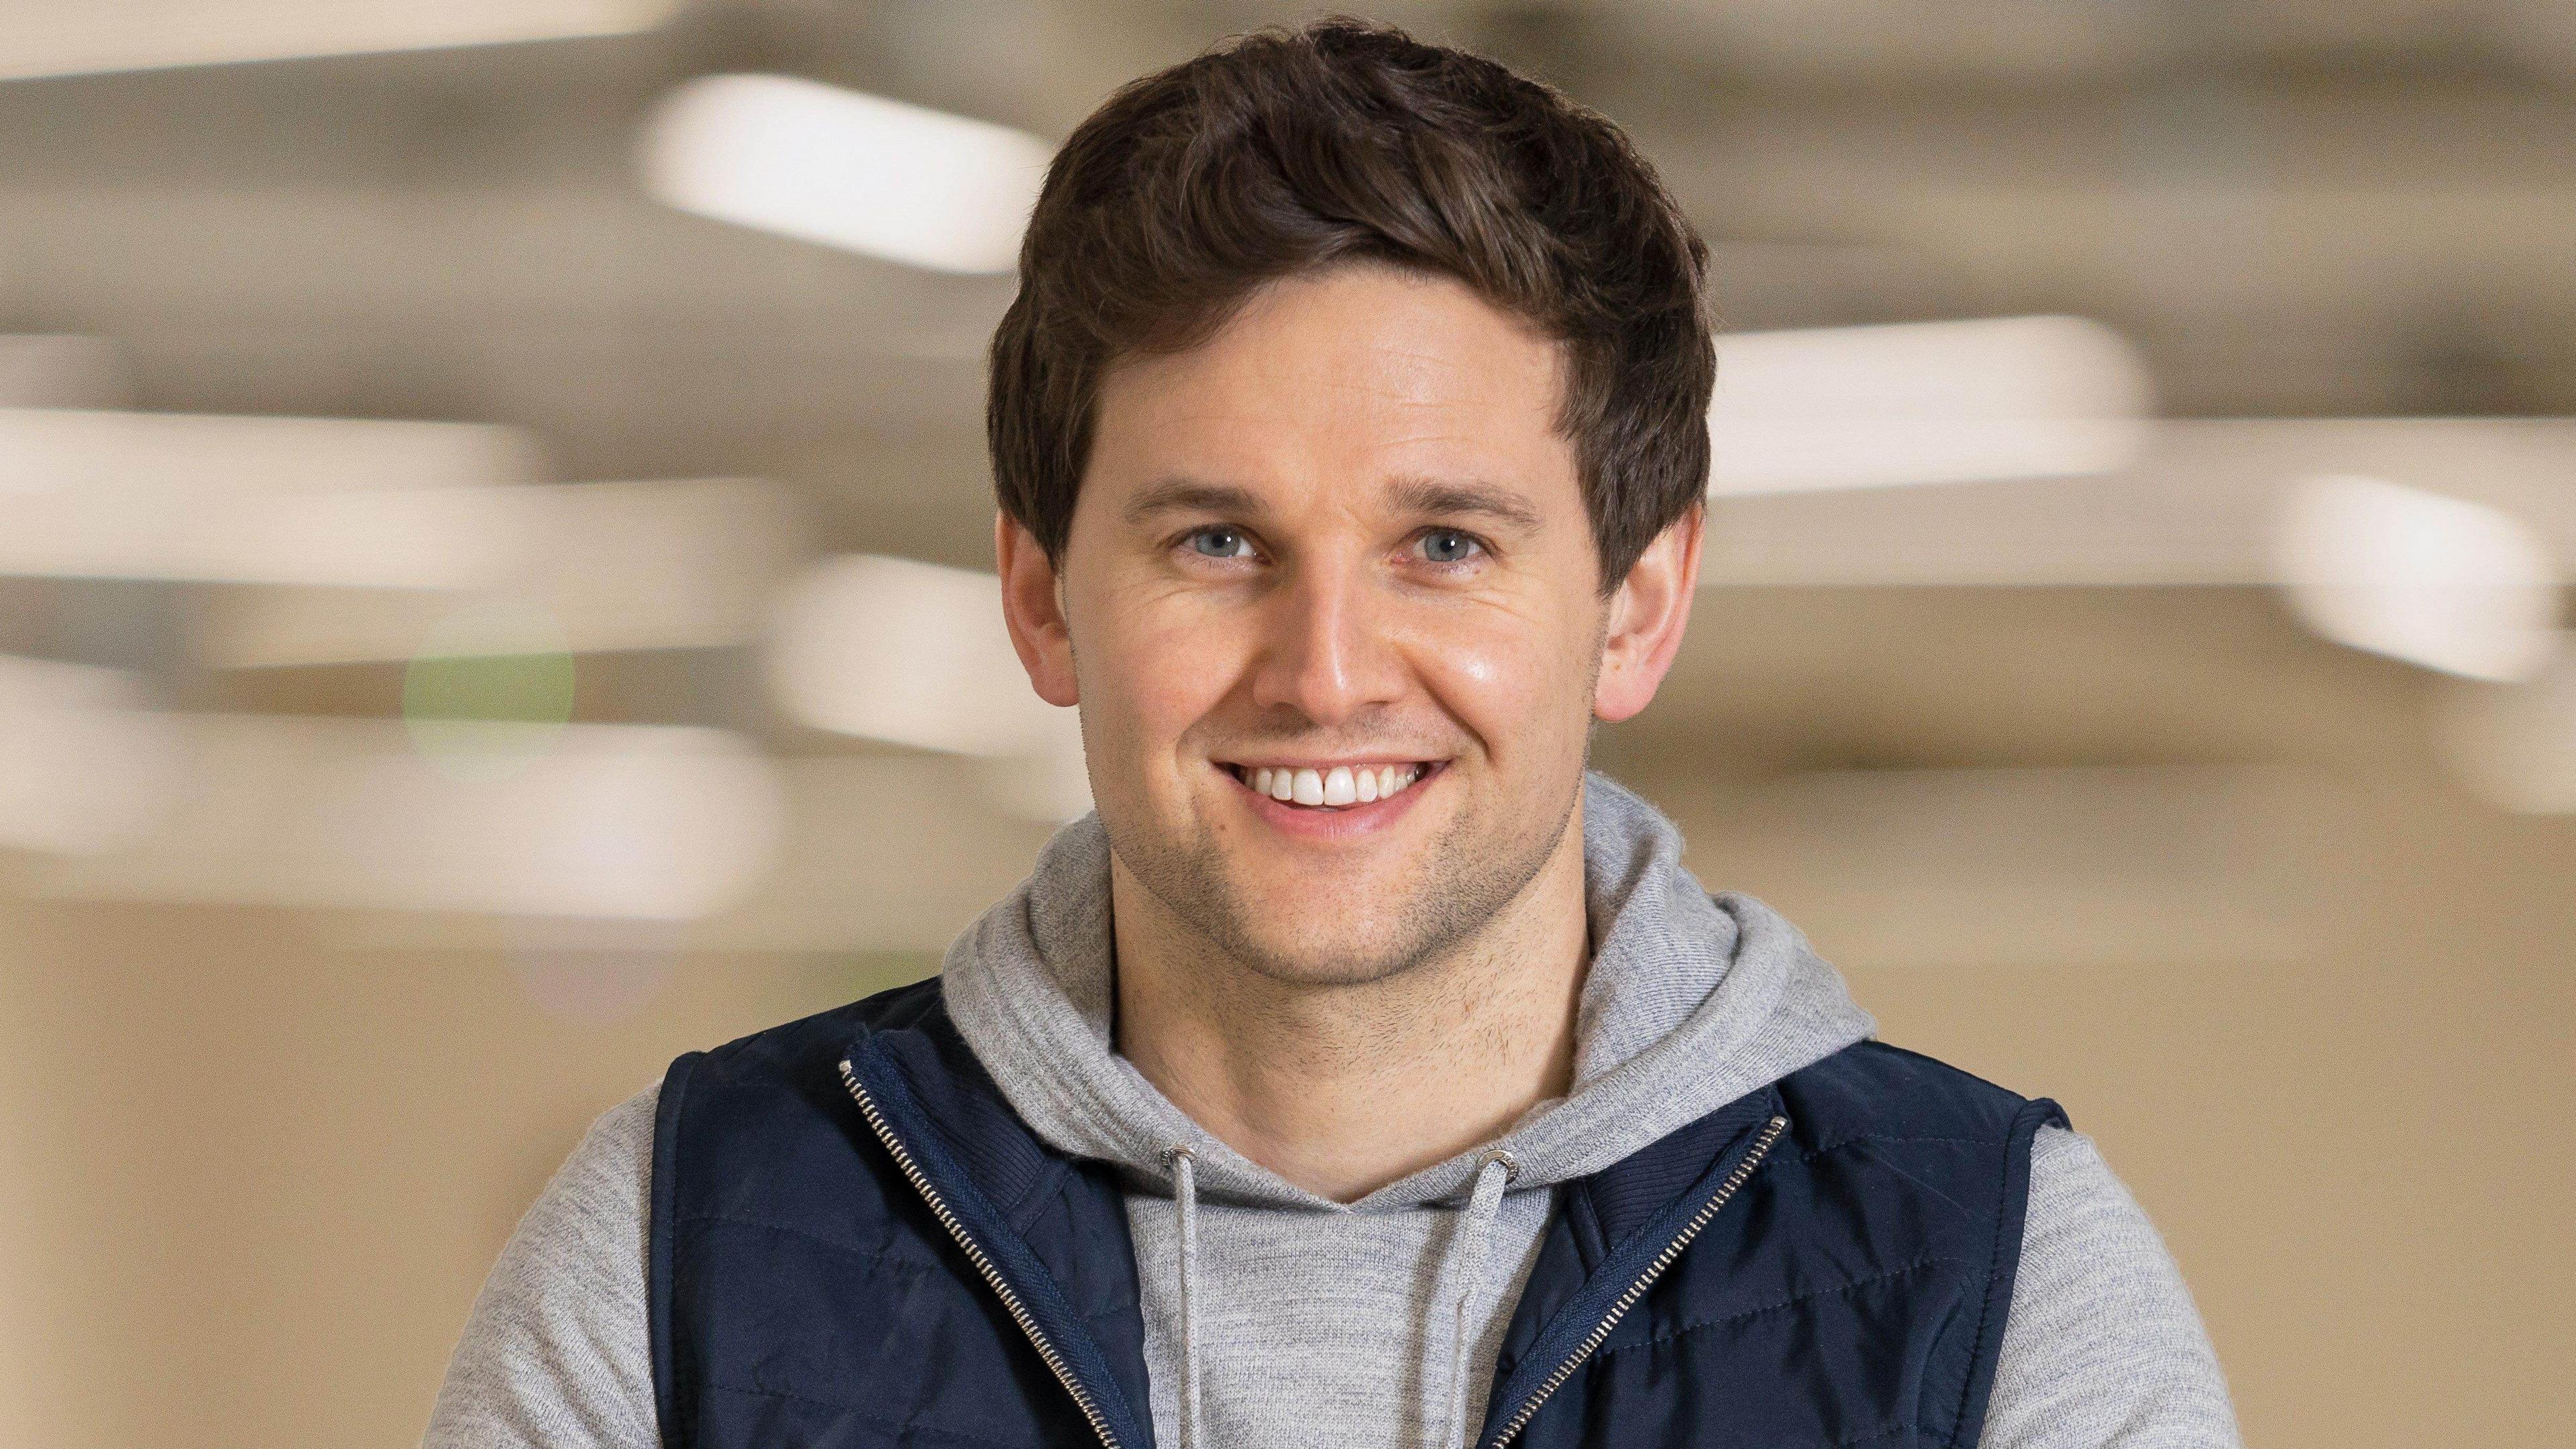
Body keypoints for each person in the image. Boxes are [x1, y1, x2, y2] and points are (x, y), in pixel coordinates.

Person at [425, 19, 2239, 1449]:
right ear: (1046, 599)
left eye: (1443, 545)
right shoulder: (691, 1253)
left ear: (1639, 604)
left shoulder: (1990, 1282)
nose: (1326, 666)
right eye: (1218, 543)